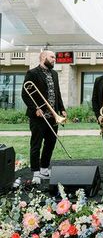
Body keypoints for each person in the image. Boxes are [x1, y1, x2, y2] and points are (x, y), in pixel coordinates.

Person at [21, 50, 67, 185]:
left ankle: (44, 169)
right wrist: (35, 108)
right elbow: (25, 94)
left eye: (54, 57)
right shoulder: (32, 73)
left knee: (50, 143)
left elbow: (57, 93)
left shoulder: (54, 74)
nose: (54, 59)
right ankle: (35, 172)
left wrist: (62, 109)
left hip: (53, 116)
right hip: (38, 117)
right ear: (43, 57)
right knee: (36, 144)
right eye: (52, 57)